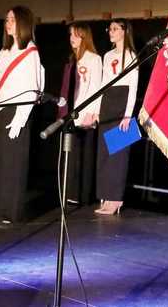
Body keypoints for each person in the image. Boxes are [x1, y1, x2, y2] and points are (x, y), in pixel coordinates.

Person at [0, 5, 43, 226]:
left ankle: (10, 213)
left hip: (18, 111)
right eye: (6, 20)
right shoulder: (4, 51)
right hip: (1, 110)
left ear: (23, 23)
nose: (8, 24)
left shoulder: (31, 51)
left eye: (12, 20)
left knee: (13, 164)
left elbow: (33, 88)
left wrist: (20, 119)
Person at [94, 19, 138, 215]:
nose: (110, 32)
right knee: (104, 151)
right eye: (109, 28)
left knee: (118, 153)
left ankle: (116, 199)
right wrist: (96, 108)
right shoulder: (107, 55)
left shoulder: (131, 55)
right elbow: (103, 83)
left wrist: (128, 114)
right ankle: (105, 195)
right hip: (108, 102)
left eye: (114, 29)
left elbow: (133, 87)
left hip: (122, 102)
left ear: (124, 31)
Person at [57, 22, 102, 205]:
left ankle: (81, 195)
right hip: (69, 114)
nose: (72, 39)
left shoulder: (94, 59)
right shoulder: (71, 60)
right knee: (70, 154)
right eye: (70, 35)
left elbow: (96, 87)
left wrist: (92, 112)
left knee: (84, 155)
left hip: (85, 114)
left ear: (84, 37)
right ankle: (68, 192)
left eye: (76, 35)